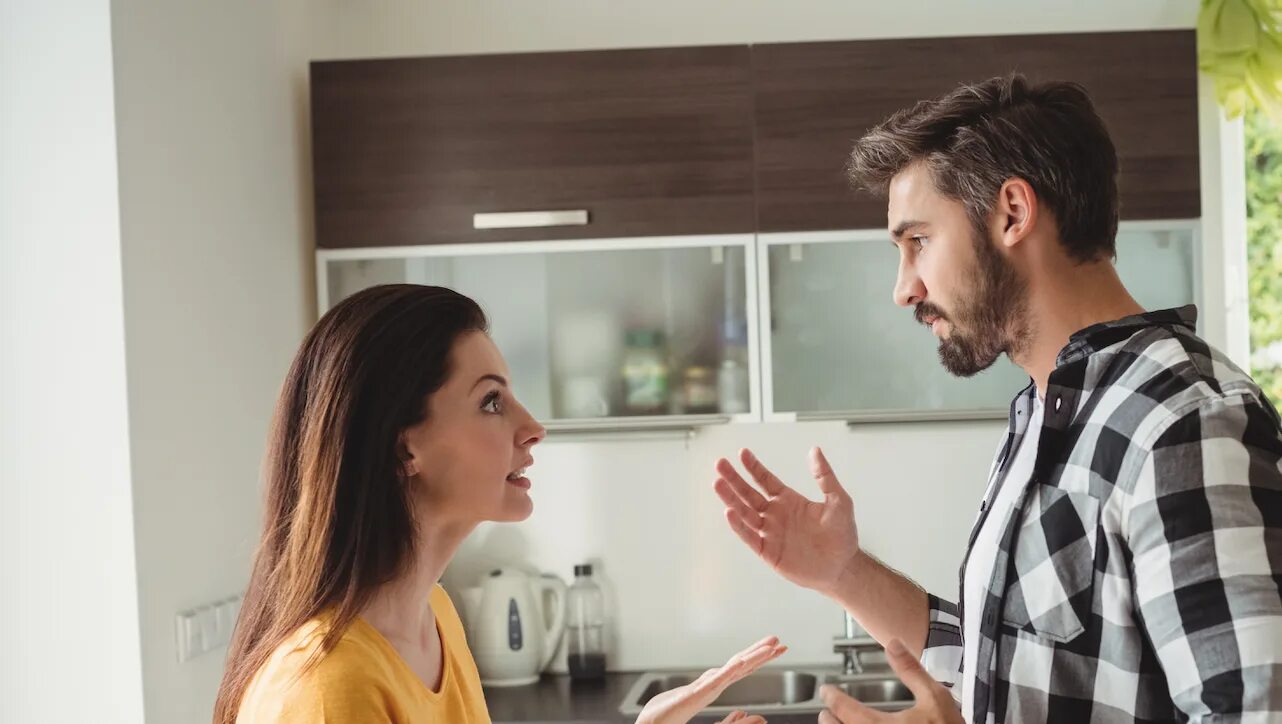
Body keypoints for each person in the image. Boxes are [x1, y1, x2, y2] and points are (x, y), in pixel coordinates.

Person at [713, 75, 1282, 723]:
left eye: (917, 241)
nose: (903, 289)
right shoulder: (1042, 411)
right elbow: (1005, 662)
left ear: (1012, 212)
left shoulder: (1182, 423)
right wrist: (842, 573)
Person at [214, 284, 784, 723]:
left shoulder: (433, 619)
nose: (532, 427)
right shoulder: (326, 688)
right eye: (491, 402)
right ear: (401, 446)